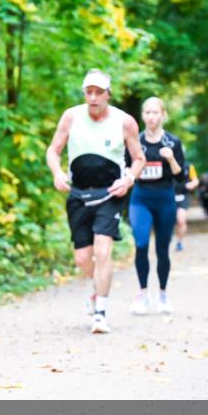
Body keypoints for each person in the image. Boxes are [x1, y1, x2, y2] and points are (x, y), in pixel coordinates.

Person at [46, 69, 145, 334]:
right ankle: (97, 288)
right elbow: (53, 150)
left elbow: (139, 158)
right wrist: (57, 172)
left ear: (108, 94)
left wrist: (129, 179)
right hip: (78, 195)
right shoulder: (71, 116)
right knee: (82, 259)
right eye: (88, 92)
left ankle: (100, 312)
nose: (93, 98)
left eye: (98, 92)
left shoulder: (125, 122)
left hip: (109, 194)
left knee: (103, 252)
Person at [126, 97, 187, 316]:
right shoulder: (135, 142)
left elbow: (182, 178)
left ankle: (162, 294)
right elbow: (125, 170)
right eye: (148, 113)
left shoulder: (173, 142)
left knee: (163, 249)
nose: (151, 117)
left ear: (163, 115)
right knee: (141, 243)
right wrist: (131, 173)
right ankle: (143, 293)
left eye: (155, 113)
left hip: (165, 198)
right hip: (141, 198)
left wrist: (171, 160)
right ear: (142, 116)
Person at [173, 161, 199, 251]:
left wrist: (191, 185)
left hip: (183, 196)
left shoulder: (188, 166)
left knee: (181, 220)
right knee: (170, 221)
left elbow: (195, 180)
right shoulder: (166, 164)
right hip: (169, 196)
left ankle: (179, 242)